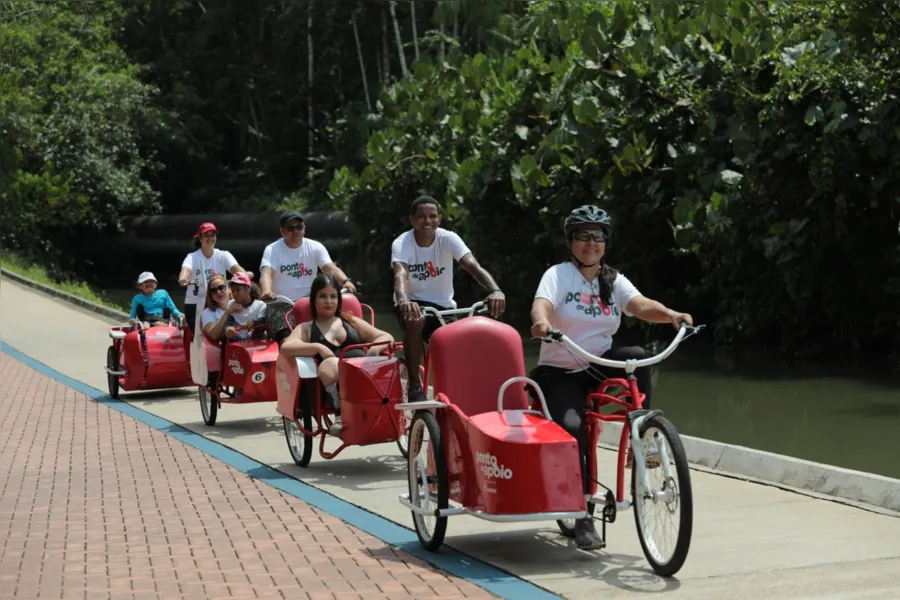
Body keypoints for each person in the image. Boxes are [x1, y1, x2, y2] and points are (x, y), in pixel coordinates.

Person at [529, 205, 693, 551]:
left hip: (597, 364)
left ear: (606, 242)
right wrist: (542, 323)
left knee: (636, 356)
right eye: (584, 236)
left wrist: (671, 315)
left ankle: (645, 431)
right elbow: (541, 305)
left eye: (598, 236)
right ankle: (582, 515)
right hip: (561, 370)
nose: (592, 242)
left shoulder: (611, 279)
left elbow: (639, 304)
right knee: (573, 429)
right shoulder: (557, 275)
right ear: (570, 241)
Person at [391, 195, 505, 402]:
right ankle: (415, 386)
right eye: (421, 217)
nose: (427, 221)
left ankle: (469, 387)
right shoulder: (402, 243)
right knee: (416, 320)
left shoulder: (448, 238)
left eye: (432, 216)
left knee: (465, 339)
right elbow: (400, 274)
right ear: (412, 220)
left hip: (443, 306)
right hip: (411, 302)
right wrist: (404, 300)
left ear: (439, 219)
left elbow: (472, 266)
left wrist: (495, 290)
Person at [280, 274, 394, 436]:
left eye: (333, 296)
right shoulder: (306, 328)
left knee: (376, 358)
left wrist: (375, 349)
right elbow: (286, 347)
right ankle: (341, 414)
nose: (328, 301)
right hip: (328, 384)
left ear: (339, 300)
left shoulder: (351, 321)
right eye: (323, 296)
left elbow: (386, 336)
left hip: (362, 378)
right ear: (314, 300)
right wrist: (317, 347)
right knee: (332, 363)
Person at [259, 210, 357, 302]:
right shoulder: (272, 249)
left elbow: (330, 269)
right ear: (282, 231)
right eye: (290, 228)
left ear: (304, 228)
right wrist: (266, 292)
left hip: (311, 302)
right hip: (282, 303)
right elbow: (266, 274)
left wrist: (345, 281)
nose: (295, 231)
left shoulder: (316, 247)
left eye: (299, 227)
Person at [177, 222, 248, 336]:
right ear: (200, 238)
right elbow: (186, 269)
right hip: (196, 304)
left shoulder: (223, 255)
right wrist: (183, 278)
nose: (210, 238)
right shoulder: (192, 257)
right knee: (199, 336)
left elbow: (237, 269)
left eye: (212, 235)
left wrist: (245, 275)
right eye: (206, 235)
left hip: (218, 302)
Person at [224, 272, 268, 341]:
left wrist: (254, 323)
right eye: (233, 291)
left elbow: (264, 322)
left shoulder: (260, 305)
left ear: (248, 288)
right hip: (237, 344)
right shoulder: (231, 304)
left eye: (238, 290)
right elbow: (228, 323)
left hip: (256, 344)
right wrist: (228, 329)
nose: (234, 294)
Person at [200, 274, 241, 343]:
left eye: (221, 287)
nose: (218, 292)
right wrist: (227, 313)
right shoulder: (207, 312)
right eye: (213, 290)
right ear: (211, 296)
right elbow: (213, 336)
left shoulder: (241, 303)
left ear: (229, 289)